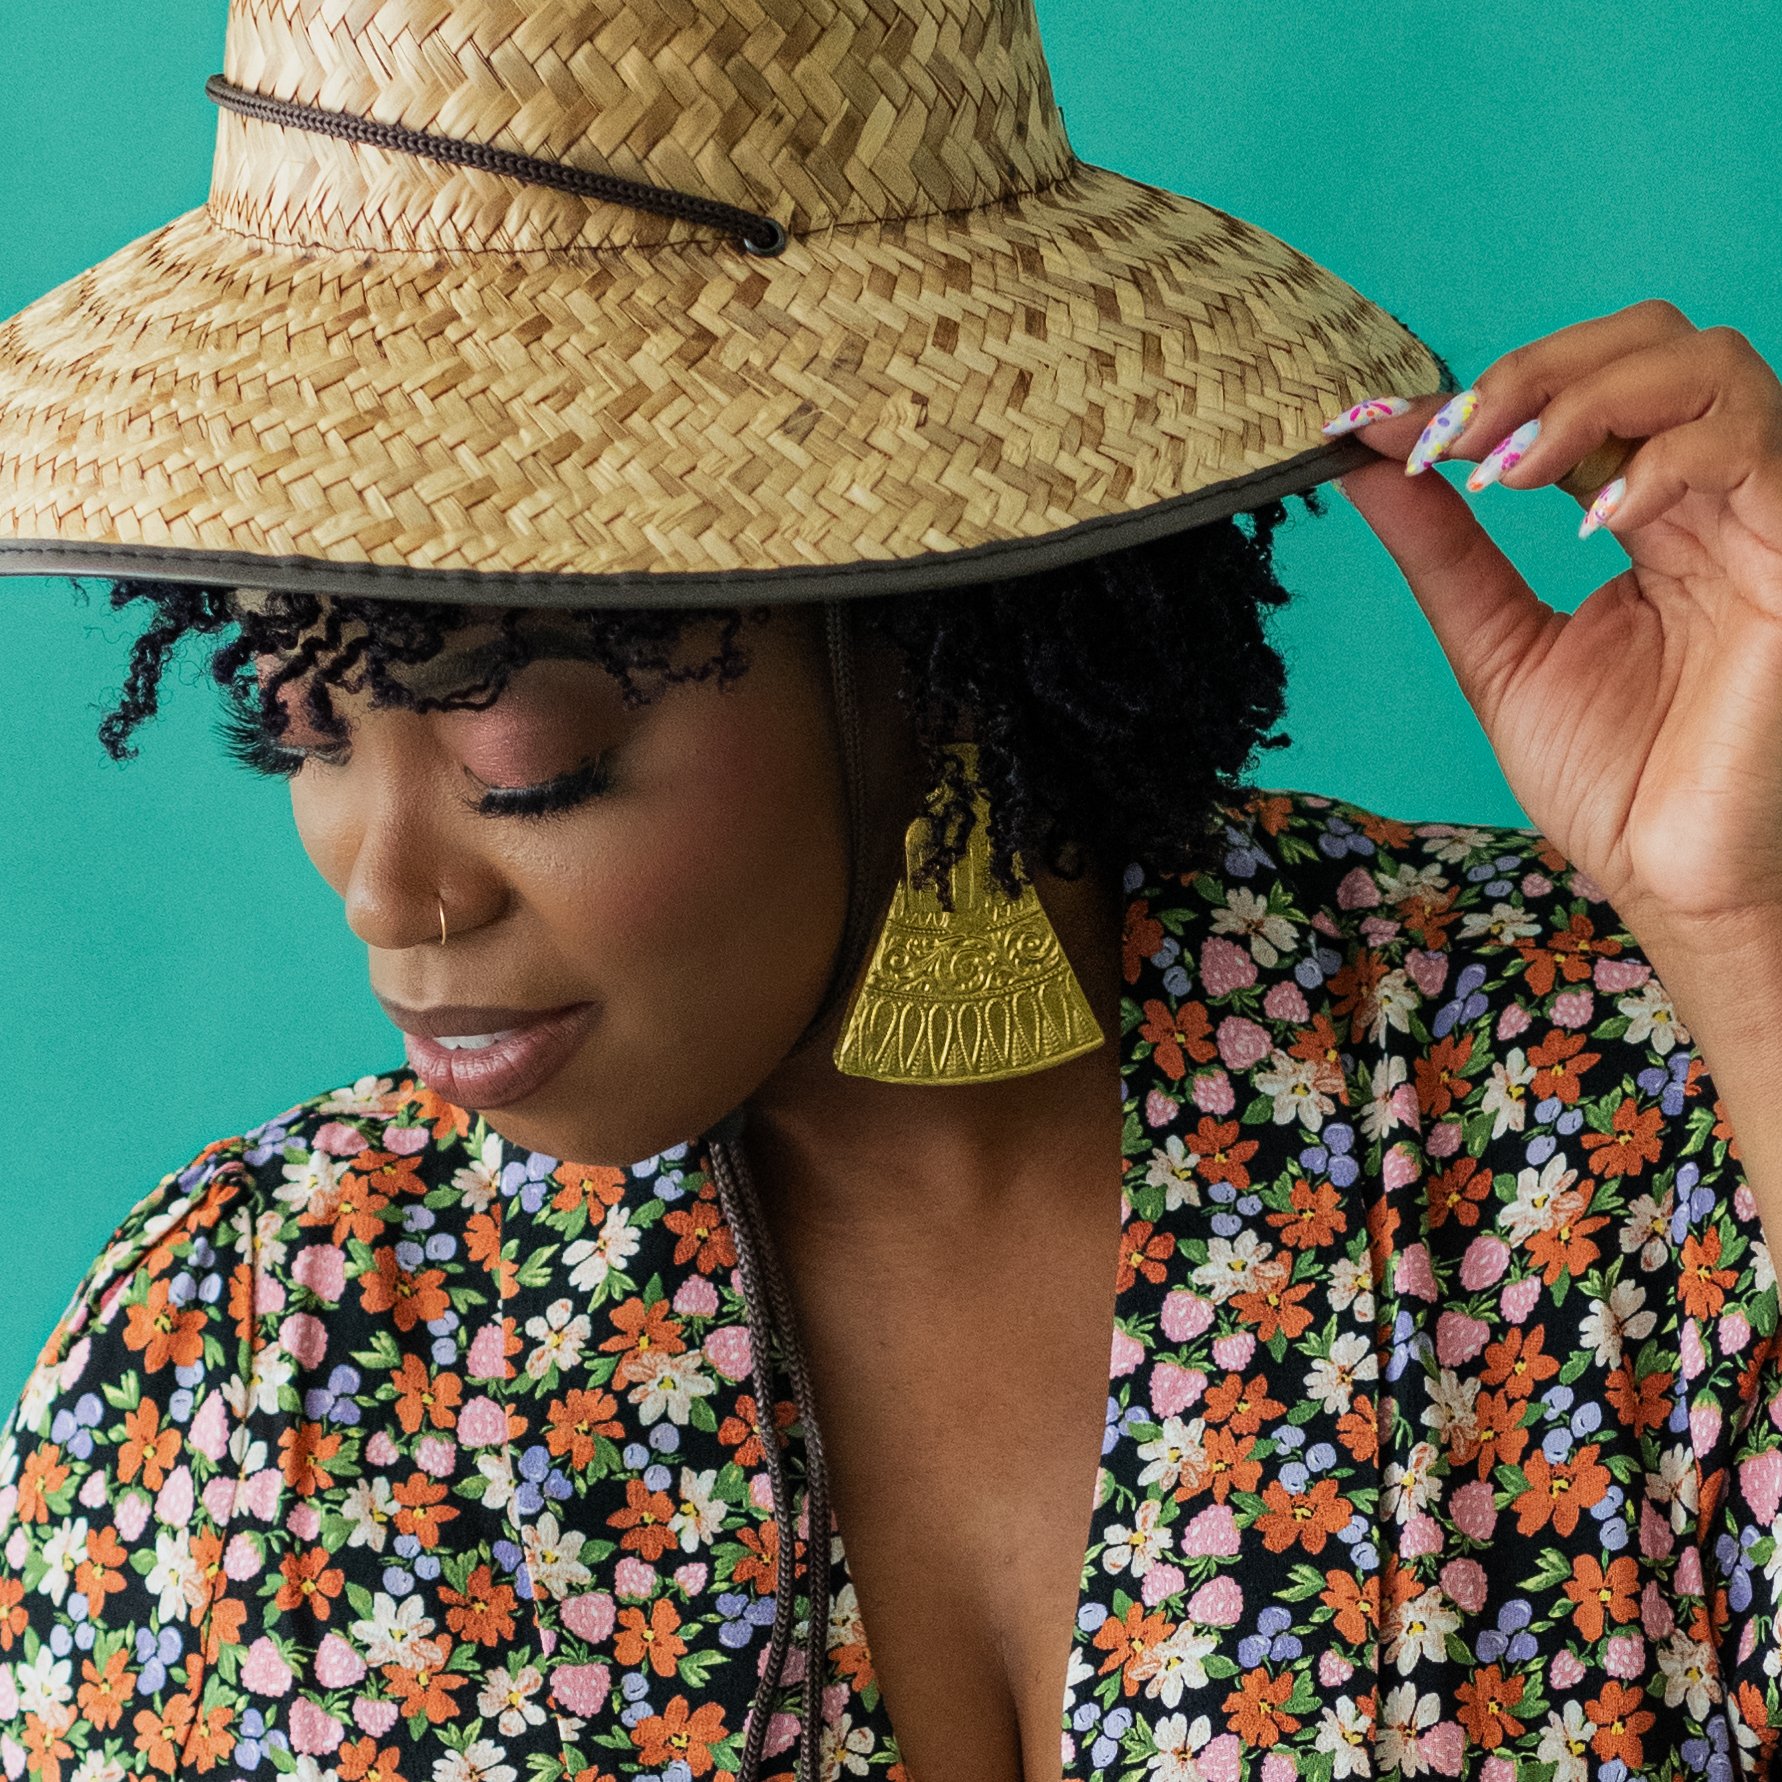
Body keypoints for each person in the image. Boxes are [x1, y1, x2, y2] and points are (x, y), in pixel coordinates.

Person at [2, 4, 1782, 1782]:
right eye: (293, 730)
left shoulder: (1615, 1095)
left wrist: (1742, 937)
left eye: (522, 763)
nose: (388, 892)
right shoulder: (243, 1368)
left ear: (927, 637)